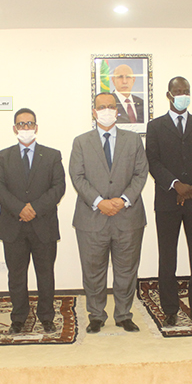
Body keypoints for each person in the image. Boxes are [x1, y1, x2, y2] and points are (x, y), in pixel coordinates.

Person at [69, 92, 149, 333]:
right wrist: (98, 202)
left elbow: (141, 173)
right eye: (101, 107)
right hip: (91, 217)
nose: (106, 110)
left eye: (111, 106)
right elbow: (77, 176)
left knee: (126, 270)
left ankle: (124, 315)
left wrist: (123, 200)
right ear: (94, 112)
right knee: (93, 271)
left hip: (128, 217)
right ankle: (96, 315)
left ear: (117, 110)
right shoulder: (81, 142)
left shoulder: (133, 140)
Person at [145, 76, 192, 326]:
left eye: (186, 91)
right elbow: (153, 161)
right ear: (169, 95)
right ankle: (170, 309)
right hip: (168, 200)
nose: (183, 95)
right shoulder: (155, 126)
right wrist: (176, 184)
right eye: (178, 91)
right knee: (167, 257)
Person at [0, 108, 66, 334]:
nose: (26, 128)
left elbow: (58, 187)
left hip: (43, 225)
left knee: (46, 275)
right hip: (13, 226)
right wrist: (20, 209)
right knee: (16, 276)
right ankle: (18, 318)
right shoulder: (3, 156)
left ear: (36, 127)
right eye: (21, 124)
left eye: (30, 123)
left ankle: (46, 317)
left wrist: (34, 208)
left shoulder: (52, 155)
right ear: (15, 128)